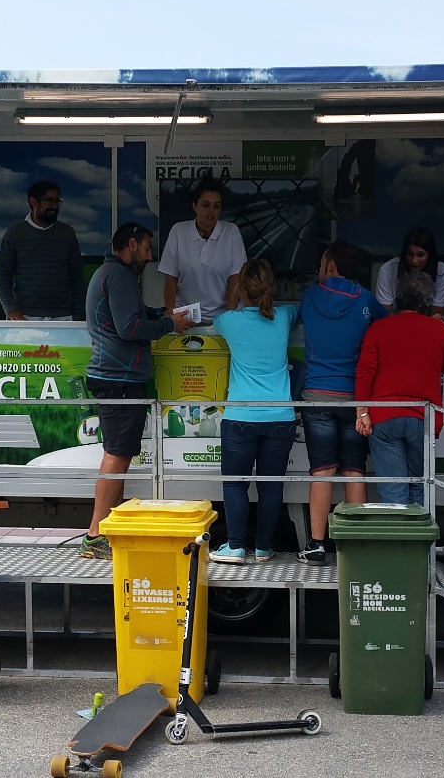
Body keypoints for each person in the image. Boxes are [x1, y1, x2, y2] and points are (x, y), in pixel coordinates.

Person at [80, 223, 195, 559]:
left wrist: (163, 314)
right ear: (131, 245)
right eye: (146, 248)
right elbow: (129, 327)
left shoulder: (114, 275)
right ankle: (94, 535)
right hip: (118, 378)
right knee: (116, 455)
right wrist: (169, 325)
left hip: (119, 377)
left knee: (120, 453)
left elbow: (134, 315)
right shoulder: (117, 275)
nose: (149, 255)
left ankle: (108, 530)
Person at [296, 241, 388, 563]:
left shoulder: (308, 297)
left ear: (331, 265)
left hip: (317, 395)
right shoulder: (365, 299)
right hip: (354, 399)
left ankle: (316, 545)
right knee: (354, 470)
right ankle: (356, 545)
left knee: (321, 470)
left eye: (322, 264)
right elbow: (387, 324)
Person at [210, 259, 299, 564]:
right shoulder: (285, 317)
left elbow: (224, 311)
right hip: (280, 418)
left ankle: (235, 546)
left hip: (241, 417)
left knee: (235, 484)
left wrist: (235, 295)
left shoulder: (229, 322)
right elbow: (291, 311)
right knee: (271, 486)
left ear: (241, 288)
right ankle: (263, 548)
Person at [355, 271, 444, 506]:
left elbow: (364, 373)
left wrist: (362, 412)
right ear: (428, 301)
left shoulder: (378, 328)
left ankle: (395, 540)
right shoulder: (438, 330)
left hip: (384, 415)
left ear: (398, 297)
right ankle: (419, 542)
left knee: (393, 489)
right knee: (421, 486)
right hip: (423, 417)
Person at [0, 180, 86, 321]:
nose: (54, 206)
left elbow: (77, 278)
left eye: (57, 201)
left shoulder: (67, 233)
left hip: (63, 317)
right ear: (33, 202)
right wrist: (11, 309)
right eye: (48, 201)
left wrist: (79, 315)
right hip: (25, 317)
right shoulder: (15, 233)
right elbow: (2, 276)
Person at [160, 176, 247, 322]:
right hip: (187, 315)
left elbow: (236, 277)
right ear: (195, 206)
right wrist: (172, 314)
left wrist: (228, 317)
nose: (211, 211)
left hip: (222, 315)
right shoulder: (178, 231)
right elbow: (170, 277)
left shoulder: (231, 232)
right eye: (206, 205)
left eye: (217, 206)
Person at [375, 226, 444, 319]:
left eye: (420, 255)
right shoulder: (388, 269)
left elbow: (438, 315)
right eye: (410, 254)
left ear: (430, 254)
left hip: (426, 327)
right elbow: (385, 315)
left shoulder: (441, 270)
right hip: (396, 326)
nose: (414, 260)